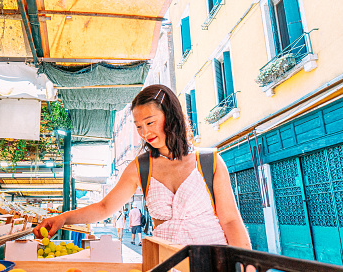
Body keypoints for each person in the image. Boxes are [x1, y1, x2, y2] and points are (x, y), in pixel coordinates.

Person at [34, 83, 252, 254]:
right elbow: (104, 207)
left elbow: (231, 221)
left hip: (216, 265)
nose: (144, 132)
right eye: (138, 126)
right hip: (167, 271)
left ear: (171, 116)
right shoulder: (140, 167)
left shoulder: (210, 161)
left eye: (150, 122)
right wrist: (63, 218)